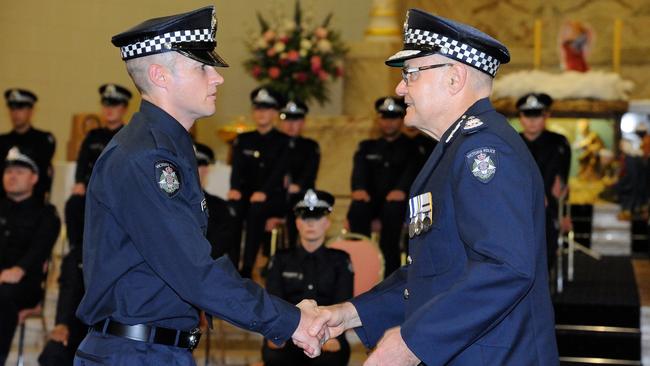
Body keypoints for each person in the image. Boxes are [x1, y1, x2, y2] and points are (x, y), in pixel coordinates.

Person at [73, 6, 323, 365]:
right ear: (160, 75)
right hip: (135, 354)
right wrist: (292, 321)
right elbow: (194, 271)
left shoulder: (167, 148)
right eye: (202, 67)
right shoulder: (144, 158)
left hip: (156, 350)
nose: (217, 78)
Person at [310, 8, 558, 365]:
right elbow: (434, 272)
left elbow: (505, 268)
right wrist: (348, 313)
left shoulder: (483, 152)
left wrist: (411, 343)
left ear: (454, 78)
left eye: (410, 74)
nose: (399, 88)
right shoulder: (454, 148)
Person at [263, 189, 353, 366]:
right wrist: (279, 331)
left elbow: (343, 301)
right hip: (288, 331)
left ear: (327, 223)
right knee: (275, 356)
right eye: (305, 218)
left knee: (330, 358)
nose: (311, 223)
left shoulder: (340, 260)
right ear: (297, 223)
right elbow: (273, 300)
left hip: (328, 332)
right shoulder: (280, 259)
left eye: (317, 218)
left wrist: (329, 333)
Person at [0, 147, 61, 364]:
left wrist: (17, 270)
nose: (12, 176)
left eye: (19, 172)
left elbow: (38, 251)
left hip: (24, 284)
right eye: (8, 172)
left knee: (3, 296)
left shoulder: (46, 214)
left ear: (34, 177)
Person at [347, 96, 418, 276]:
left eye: (393, 118)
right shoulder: (367, 146)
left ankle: (389, 270)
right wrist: (359, 188)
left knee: (393, 210)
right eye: (385, 117)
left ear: (402, 119)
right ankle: (359, 262)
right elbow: (359, 171)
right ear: (379, 119)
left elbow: (411, 171)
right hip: (372, 200)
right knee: (358, 208)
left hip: (397, 204)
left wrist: (401, 189)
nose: (389, 123)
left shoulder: (412, 147)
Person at [228, 86, 289, 278]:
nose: (261, 113)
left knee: (256, 211)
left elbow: (278, 173)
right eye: (258, 109)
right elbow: (236, 168)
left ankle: (247, 267)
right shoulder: (243, 139)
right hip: (246, 194)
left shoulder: (284, 141)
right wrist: (235, 188)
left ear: (275, 113)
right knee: (232, 209)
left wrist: (264, 192)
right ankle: (230, 265)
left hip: (272, 197)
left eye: (267, 109)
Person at [517, 93, 572, 271]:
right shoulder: (511, 143)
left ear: (547, 115)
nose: (532, 121)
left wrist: (564, 214)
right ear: (520, 117)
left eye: (537, 115)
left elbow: (562, 184)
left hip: (548, 211)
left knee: (546, 250)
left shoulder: (559, 144)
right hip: (517, 208)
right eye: (527, 115)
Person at [72, 84, 133, 195]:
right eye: (106, 105)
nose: (109, 109)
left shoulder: (130, 136)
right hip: (91, 188)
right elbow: (82, 162)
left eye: (114, 105)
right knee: (74, 204)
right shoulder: (92, 136)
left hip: (118, 190)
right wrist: (79, 182)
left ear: (124, 108)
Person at [0, 89, 56, 202]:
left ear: (31, 111)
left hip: (34, 204)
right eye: (12, 109)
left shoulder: (44, 140)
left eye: (20, 108)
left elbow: (41, 173)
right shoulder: (2, 141)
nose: (15, 113)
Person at [279, 99, 321, 248]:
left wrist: (297, 185)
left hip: (301, 194)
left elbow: (310, 171)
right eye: (286, 120)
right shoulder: (273, 143)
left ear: (303, 122)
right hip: (276, 194)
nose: (290, 125)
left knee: (296, 208)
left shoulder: (310, 146)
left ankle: (293, 251)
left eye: (295, 120)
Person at [195, 142, 238, 261]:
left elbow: (220, 248)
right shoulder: (165, 205)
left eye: (195, 166)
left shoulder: (220, 208)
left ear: (206, 170)